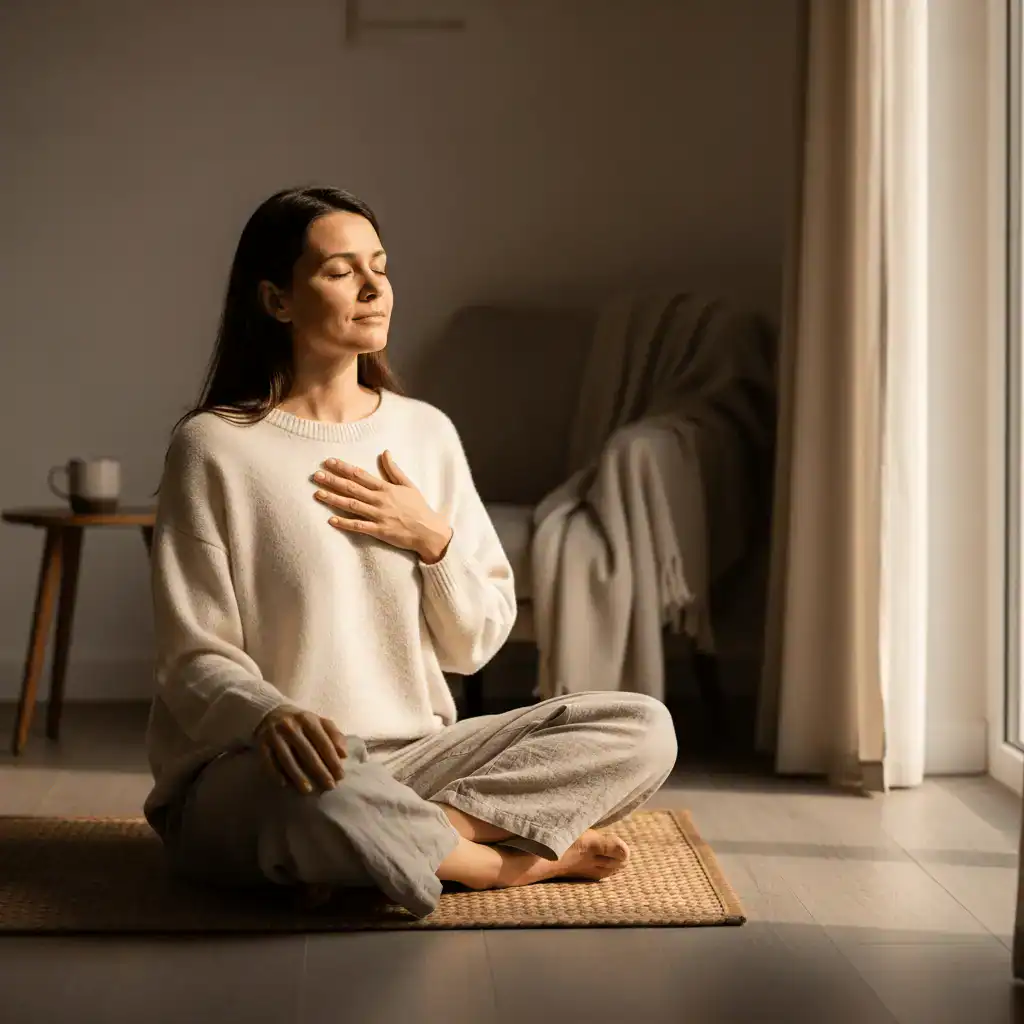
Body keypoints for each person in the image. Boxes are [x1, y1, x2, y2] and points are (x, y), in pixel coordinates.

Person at [143, 185, 679, 919]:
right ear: (277, 300)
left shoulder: (425, 433)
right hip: (264, 769)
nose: (374, 289)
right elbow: (191, 657)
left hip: (416, 763)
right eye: (340, 271)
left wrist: (434, 542)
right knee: (312, 803)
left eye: (381, 266)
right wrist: (269, 715)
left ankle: (387, 848)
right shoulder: (214, 447)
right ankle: (494, 866)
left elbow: (473, 645)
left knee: (644, 729)